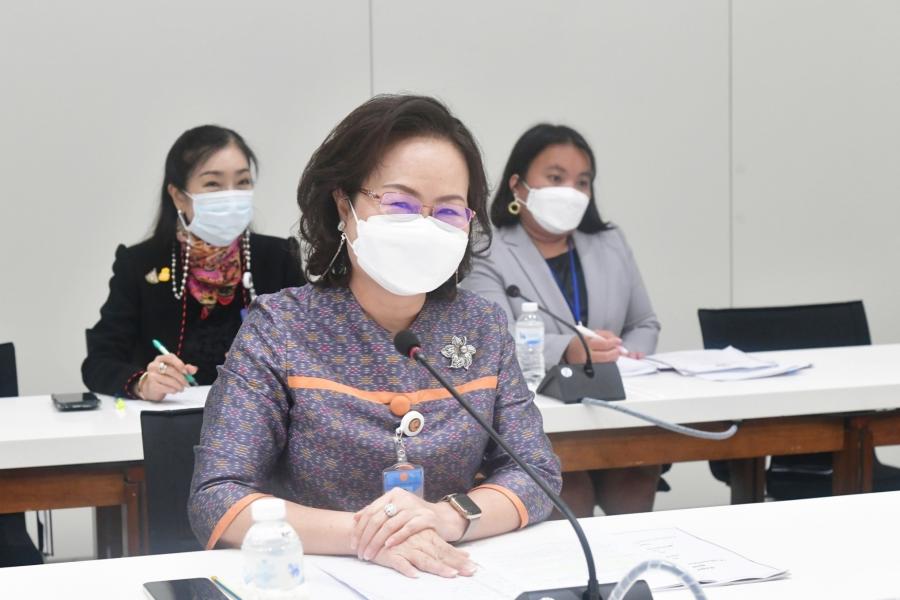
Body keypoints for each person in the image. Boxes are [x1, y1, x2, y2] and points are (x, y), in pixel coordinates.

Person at [188, 95, 562, 579]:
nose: (424, 226)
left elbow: (536, 473)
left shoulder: (482, 326)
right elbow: (217, 497)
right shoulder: (281, 327)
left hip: (447, 578)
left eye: (449, 212)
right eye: (400, 204)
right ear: (343, 205)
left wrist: (446, 517)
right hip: (319, 579)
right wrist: (366, 534)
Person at [461, 124, 662, 516]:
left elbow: (644, 323)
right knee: (570, 486)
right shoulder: (487, 249)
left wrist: (625, 355)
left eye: (582, 182)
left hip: (611, 409)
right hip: (538, 418)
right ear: (518, 186)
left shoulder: (609, 242)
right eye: (556, 178)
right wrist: (568, 350)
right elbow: (492, 341)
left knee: (637, 471)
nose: (571, 191)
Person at [82, 125, 304, 400]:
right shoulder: (140, 264)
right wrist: (143, 382)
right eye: (213, 184)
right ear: (178, 196)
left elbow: (312, 348)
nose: (231, 195)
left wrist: (273, 364)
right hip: (172, 417)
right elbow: (99, 361)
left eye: (243, 182)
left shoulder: (278, 257)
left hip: (260, 415)